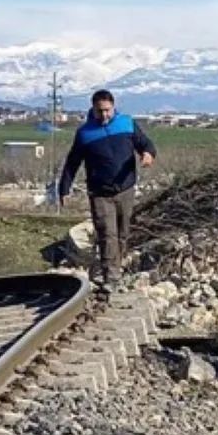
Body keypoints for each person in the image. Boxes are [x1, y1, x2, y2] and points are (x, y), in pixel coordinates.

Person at [58, 89, 156, 292]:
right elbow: (72, 162)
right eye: (100, 111)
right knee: (107, 233)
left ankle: (116, 268)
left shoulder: (126, 123)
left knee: (122, 233)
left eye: (107, 110)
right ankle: (111, 277)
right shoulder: (85, 133)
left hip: (125, 188)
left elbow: (145, 143)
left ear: (114, 107)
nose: (104, 115)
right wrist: (64, 188)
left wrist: (147, 155)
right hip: (99, 192)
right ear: (93, 108)